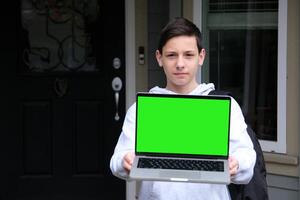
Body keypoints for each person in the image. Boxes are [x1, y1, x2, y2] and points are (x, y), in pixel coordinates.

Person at [110, 17, 256, 200]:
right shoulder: (142, 109)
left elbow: (247, 159)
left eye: (188, 55)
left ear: (201, 57)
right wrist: (125, 161)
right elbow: (117, 161)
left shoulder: (224, 106)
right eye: (171, 55)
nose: (180, 64)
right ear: (159, 58)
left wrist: (237, 164)